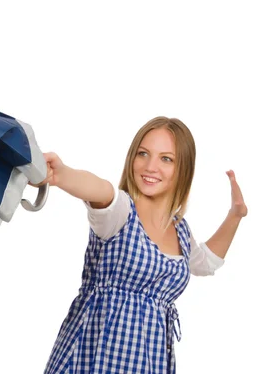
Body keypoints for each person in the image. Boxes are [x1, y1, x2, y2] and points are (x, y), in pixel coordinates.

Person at [32, 116, 247, 374]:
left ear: (183, 169)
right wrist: (62, 174)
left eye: (166, 158)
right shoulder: (120, 211)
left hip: (149, 363)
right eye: (143, 154)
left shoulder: (180, 230)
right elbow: (100, 190)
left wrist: (235, 214)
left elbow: (205, 262)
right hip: (93, 357)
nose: (150, 166)